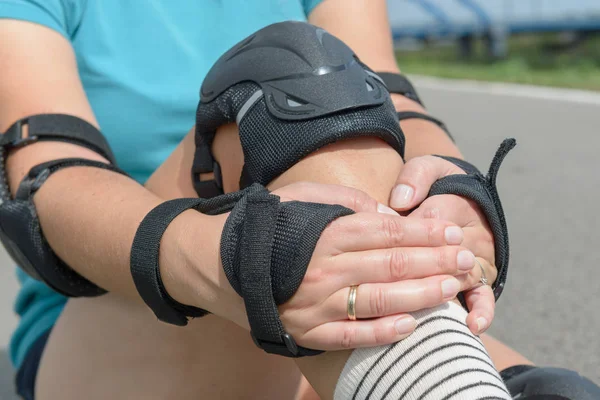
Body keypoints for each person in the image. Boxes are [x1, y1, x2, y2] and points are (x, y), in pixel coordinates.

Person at [0, 1, 597, 399]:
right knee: (289, 83)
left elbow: (396, 104)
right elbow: (46, 178)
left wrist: (452, 191)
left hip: (329, 316)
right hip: (136, 317)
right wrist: (240, 254)